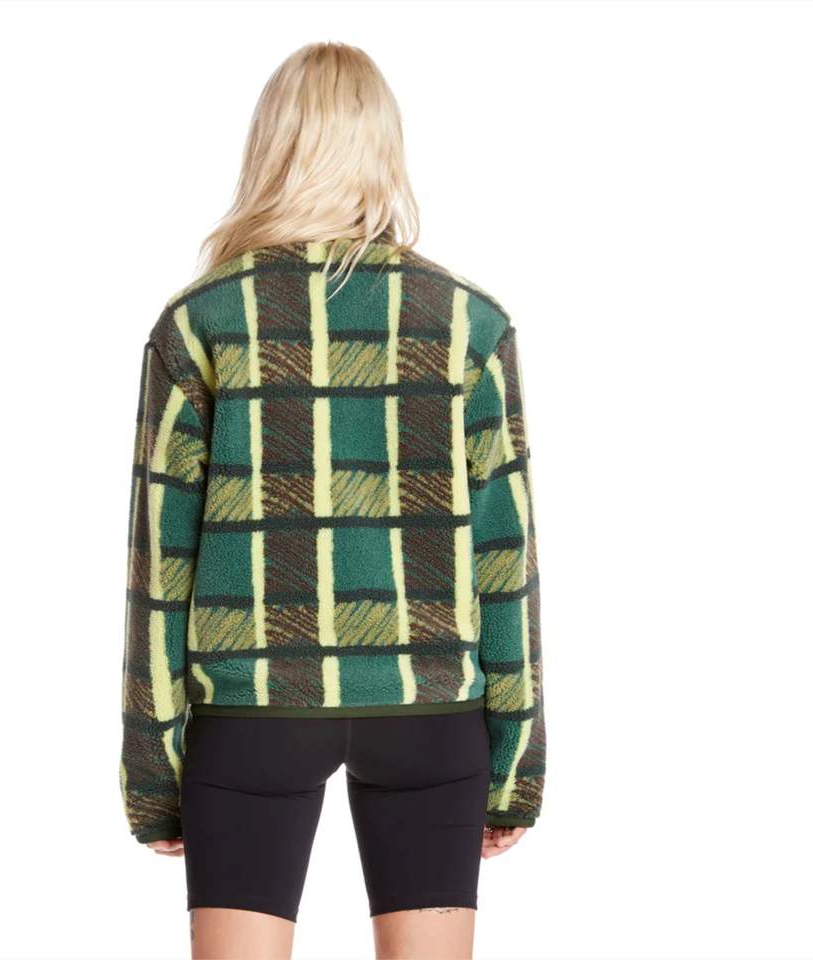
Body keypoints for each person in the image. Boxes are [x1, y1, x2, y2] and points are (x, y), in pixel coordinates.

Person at [119, 40, 546, 960]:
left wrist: (154, 775)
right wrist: (514, 766)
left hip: (253, 707)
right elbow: (504, 560)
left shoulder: (201, 321)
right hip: (429, 704)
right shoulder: (469, 323)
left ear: (270, 146)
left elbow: (160, 564)